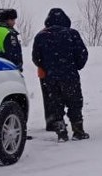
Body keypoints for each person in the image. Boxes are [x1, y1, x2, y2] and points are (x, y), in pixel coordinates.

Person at [32, 8, 89, 141]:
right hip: (70, 75)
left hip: (51, 77)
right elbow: (82, 54)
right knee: (74, 102)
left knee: (55, 103)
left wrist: (47, 67)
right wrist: (76, 66)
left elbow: (36, 57)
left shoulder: (41, 36)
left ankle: (61, 131)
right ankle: (78, 131)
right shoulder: (72, 34)